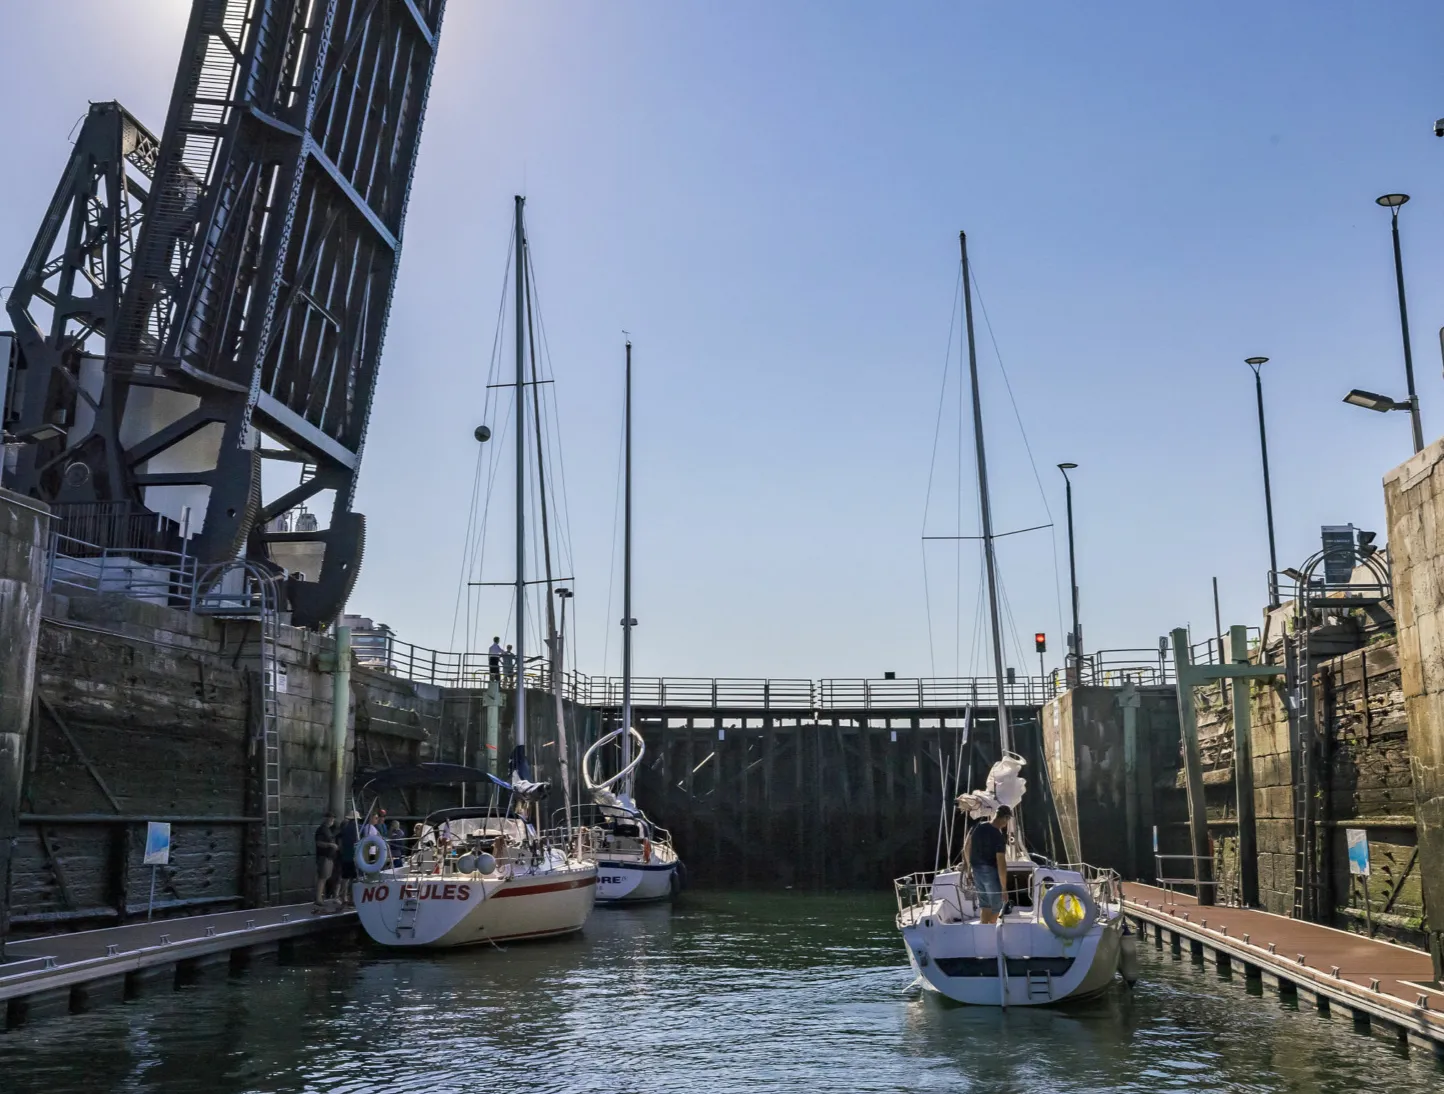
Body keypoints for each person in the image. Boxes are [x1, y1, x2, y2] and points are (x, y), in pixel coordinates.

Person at [969, 806, 1011, 925]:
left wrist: (968, 869)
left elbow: (967, 846)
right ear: (1005, 818)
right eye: (1008, 820)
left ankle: (983, 930)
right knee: (997, 906)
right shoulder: (998, 836)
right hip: (989, 872)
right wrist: (1004, 889)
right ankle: (991, 930)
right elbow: (1001, 863)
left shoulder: (978, 826)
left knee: (985, 905)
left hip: (976, 869)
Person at [337, 809, 363, 905]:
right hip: (356, 857)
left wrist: (341, 849)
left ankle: (343, 897)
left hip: (345, 856)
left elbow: (339, 839)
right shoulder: (360, 828)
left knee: (345, 878)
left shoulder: (345, 829)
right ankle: (352, 898)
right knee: (355, 878)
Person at [313, 811, 338, 908]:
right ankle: (318, 899)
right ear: (325, 818)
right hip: (323, 857)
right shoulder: (321, 830)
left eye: (333, 818)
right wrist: (330, 845)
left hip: (329, 857)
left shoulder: (328, 829)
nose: (332, 820)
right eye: (330, 818)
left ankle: (321, 897)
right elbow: (318, 843)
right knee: (322, 877)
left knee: (325, 877)